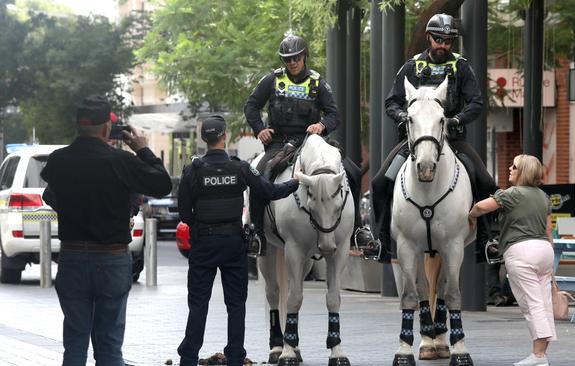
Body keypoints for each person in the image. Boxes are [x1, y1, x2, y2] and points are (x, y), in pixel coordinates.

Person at [41, 95, 172, 365]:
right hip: (111, 258)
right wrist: (143, 149)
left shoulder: (58, 161)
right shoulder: (120, 161)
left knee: (75, 344)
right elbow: (162, 184)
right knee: (110, 346)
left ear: (77, 125)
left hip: (73, 258)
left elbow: (49, 195)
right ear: (105, 128)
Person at [355, 13, 496, 261]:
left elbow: (475, 102)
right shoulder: (411, 67)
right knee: (379, 183)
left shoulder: (461, 66)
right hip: (416, 140)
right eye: (439, 39)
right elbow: (391, 101)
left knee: (485, 181)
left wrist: (457, 120)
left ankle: (486, 242)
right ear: (429, 38)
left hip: (452, 139)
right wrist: (401, 116)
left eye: (448, 41)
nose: (443, 45)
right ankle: (381, 241)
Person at [176, 114, 299, 366]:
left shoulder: (192, 171)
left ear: (204, 139)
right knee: (235, 305)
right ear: (225, 136)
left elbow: (184, 214)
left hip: (203, 245)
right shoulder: (240, 168)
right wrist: (295, 184)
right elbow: (268, 191)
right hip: (233, 244)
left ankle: (188, 358)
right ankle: (234, 357)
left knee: (198, 304)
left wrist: (201, 224)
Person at [243, 34, 361, 255]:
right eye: (288, 59)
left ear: (304, 56)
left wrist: (322, 125)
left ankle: (358, 230)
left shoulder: (318, 82)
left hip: (312, 142)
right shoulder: (271, 80)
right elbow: (251, 107)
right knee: (260, 174)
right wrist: (260, 129)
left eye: (296, 57)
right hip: (280, 142)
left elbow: (335, 114)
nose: (293, 62)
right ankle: (256, 234)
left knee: (352, 172)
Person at [468, 154, 555, 366]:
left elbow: (481, 207)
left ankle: (539, 356)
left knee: (531, 304)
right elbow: (549, 229)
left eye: (514, 166)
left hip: (521, 251)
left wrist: (470, 216)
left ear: (523, 172)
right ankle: (541, 353)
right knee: (543, 303)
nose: (509, 168)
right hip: (545, 250)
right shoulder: (543, 196)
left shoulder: (512, 194)